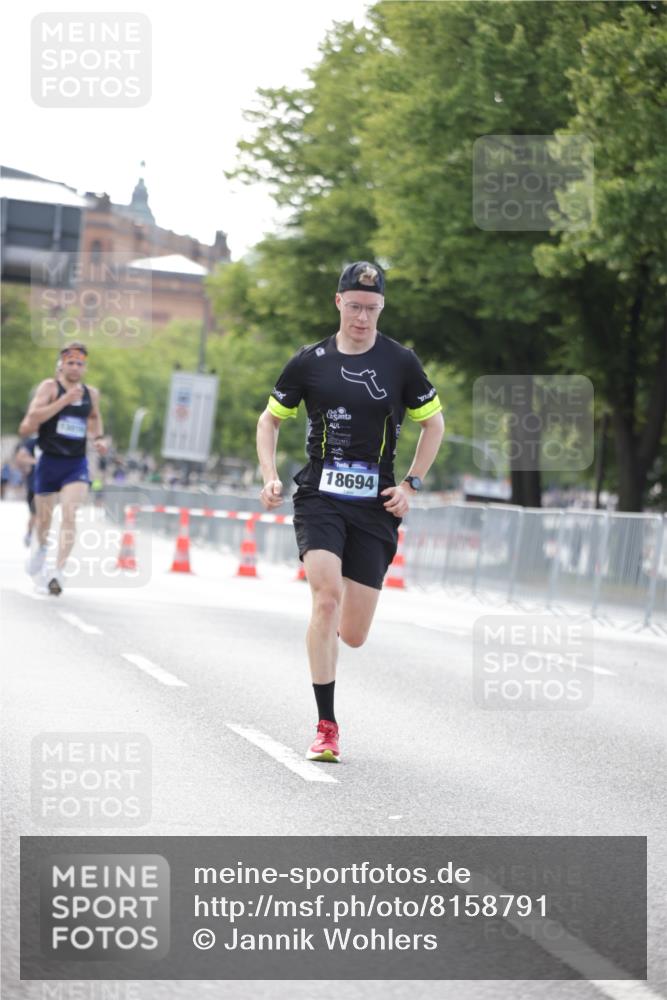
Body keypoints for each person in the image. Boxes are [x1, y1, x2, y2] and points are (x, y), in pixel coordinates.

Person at [257, 261, 444, 762]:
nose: (363, 317)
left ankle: (332, 635)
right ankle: (326, 725)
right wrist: (269, 473)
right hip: (320, 493)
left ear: (382, 308)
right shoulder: (309, 361)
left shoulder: (401, 363)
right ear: (339, 302)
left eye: (373, 309)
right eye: (356, 307)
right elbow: (270, 420)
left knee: (354, 634)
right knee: (324, 597)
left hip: (376, 504)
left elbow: (435, 424)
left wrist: (412, 484)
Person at [19, 341, 108, 595]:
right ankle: (43, 547)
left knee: (70, 514)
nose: (75, 367)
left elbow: (94, 417)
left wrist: (98, 439)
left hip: (75, 463)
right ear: (61, 365)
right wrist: (64, 401)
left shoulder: (91, 394)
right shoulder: (50, 387)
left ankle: (57, 571)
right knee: (44, 519)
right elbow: (33, 418)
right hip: (48, 461)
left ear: (85, 367)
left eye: (80, 363)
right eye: (70, 362)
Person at [14, 435, 39, 546]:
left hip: (50, 485)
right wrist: (37, 461)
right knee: (35, 514)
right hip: (36, 486)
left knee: (43, 514)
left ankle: (37, 538)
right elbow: (20, 458)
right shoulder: (33, 441)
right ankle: (30, 535)